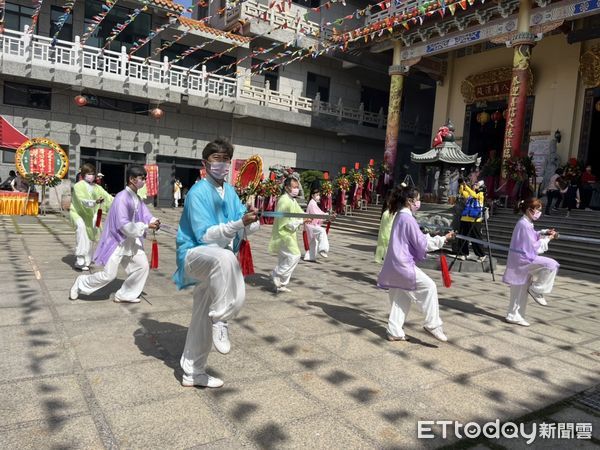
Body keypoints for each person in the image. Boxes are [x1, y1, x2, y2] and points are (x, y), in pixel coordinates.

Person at [173, 138, 259, 389]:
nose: (221, 165)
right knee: (226, 257)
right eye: (216, 159)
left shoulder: (229, 192)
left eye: (225, 160)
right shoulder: (197, 193)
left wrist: (252, 220)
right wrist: (239, 224)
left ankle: (192, 371)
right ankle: (221, 318)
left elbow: (242, 228)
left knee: (201, 318)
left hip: (216, 266)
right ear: (205, 163)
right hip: (195, 255)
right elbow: (206, 235)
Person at [69, 165, 160, 303]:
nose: (144, 181)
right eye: (142, 178)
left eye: (145, 178)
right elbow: (124, 225)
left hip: (131, 240)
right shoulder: (122, 198)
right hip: (117, 240)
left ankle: (126, 294)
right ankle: (81, 282)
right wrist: (146, 226)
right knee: (108, 275)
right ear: (132, 179)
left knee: (142, 266)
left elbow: (145, 214)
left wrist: (154, 220)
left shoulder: (136, 197)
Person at [377, 185, 454, 342]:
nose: (419, 202)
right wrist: (443, 239)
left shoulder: (400, 216)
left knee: (401, 297)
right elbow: (422, 244)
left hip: (393, 264)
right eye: (417, 200)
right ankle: (432, 324)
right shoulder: (407, 218)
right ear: (409, 201)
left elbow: (418, 239)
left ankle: (395, 330)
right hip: (403, 266)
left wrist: (435, 238)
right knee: (429, 286)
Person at [503, 198, 559, 326]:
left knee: (520, 289)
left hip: (520, 260)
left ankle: (514, 315)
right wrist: (548, 238)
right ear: (529, 210)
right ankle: (537, 289)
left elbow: (532, 235)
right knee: (551, 265)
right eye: (537, 210)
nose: (539, 213)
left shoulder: (526, 223)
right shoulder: (524, 224)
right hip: (523, 260)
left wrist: (544, 232)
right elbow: (534, 245)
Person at [69, 163, 113, 271]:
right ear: (83, 174)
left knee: (90, 235)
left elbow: (108, 197)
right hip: (77, 213)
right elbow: (82, 200)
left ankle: (87, 260)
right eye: (89, 174)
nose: (91, 176)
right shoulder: (78, 186)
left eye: (93, 174)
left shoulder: (97, 187)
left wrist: (120, 202)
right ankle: (80, 258)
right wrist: (95, 201)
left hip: (91, 215)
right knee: (81, 229)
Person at [269, 176, 305, 293]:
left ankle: (281, 284)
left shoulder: (292, 200)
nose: (296, 189)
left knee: (284, 258)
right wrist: (302, 221)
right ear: (286, 187)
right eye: (294, 187)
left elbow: (300, 212)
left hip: (289, 234)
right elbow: (286, 223)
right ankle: (276, 273)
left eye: (297, 187)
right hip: (283, 234)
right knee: (295, 255)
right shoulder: (284, 200)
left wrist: (306, 217)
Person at [456, 179, 487, 262]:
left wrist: (466, 186)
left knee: (476, 238)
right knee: (462, 237)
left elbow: (474, 195)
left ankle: (481, 255)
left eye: (476, 185)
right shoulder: (469, 195)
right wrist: (462, 185)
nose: (474, 185)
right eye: (474, 184)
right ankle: (463, 253)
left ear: (480, 188)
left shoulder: (480, 195)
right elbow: (462, 192)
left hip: (475, 220)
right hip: (465, 218)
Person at [304, 188, 334, 262]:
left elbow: (320, 212)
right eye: (317, 195)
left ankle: (309, 257)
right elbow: (317, 214)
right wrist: (326, 216)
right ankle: (323, 249)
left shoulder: (314, 203)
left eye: (319, 195)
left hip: (311, 224)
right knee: (322, 231)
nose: (318, 196)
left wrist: (326, 215)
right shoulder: (312, 203)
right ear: (312, 196)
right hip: (310, 224)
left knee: (313, 241)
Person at [374, 190, 396, 264]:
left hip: (386, 219)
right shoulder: (390, 202)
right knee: (386, 239)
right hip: (388, 220)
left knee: (384, 239)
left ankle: (383, 255)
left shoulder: (388, 202)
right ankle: (385, 255)